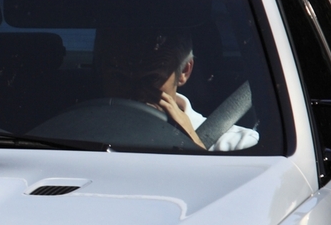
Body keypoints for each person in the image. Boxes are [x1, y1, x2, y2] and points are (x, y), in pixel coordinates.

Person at [92, 23, 259, 151]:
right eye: (120, 76)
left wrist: (195, 147)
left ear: (184, 71)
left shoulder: (238, 145)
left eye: (151, 78)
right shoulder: (80, 135)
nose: (135, 91)